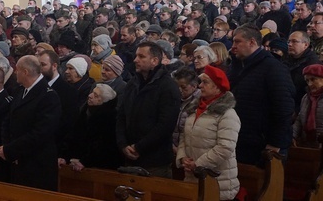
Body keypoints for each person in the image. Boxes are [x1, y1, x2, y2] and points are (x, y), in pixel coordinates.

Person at [228, 24, 295, 165]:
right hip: (242, 139)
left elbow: (284, 108)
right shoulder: (237, 66)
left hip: (264, 144)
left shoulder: (273, 68)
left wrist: (275, 143)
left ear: (252, 42)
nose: (233, 46)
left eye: (237, 41)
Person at [0, 55, 61, 191]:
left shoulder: (49, 96)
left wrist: (11, 149)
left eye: (17, 69)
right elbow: (7, 120)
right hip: (17, 161)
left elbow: (40, 133)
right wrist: (8, 148)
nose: (14, 72)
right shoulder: (20, 90)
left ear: (25, 72)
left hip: (36, 164)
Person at [116, 42, 180, 178]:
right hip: (129, 157)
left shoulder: (167, 87)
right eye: (136, 56)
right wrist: (123, 144)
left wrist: (139, 147)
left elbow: (165, 126)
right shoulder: (133, 84)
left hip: (155, 161)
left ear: (154, 61)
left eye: (141, 56)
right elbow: (121, 115)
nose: (135, 60)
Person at [176, 65, 241, 200]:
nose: (200, 86)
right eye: (201, 82)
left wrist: (198, 164)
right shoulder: (194, 109)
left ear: (217, 87)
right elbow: (184, 135)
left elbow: (225, 147)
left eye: (205, 82)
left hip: (218, 182)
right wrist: (183, 158)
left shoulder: (228, 114)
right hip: (193, 178)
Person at [68, 84, 123, 171]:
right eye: (92, 92)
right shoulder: (85, 111)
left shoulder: (110, 118)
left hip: (101, 166)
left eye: (95, 95)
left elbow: (101, 145)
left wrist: (84, 161)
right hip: (79, 160)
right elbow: (74, 135)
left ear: (104, 101)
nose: (90, 96)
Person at [293, 64, 323, 148]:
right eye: (307, 81)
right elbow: (299, 119)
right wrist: (293, 135)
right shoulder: (306, 98)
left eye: (313, 79)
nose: (310, 84)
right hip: (306, 143)